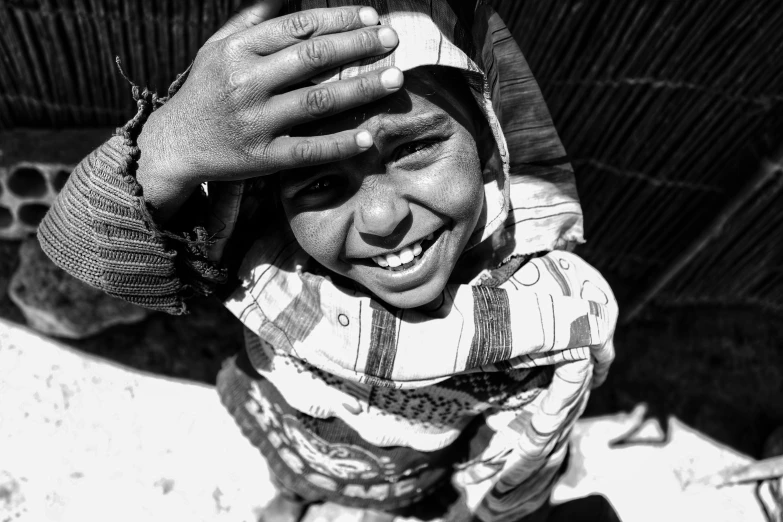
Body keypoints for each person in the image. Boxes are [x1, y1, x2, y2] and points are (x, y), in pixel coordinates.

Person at [38, 1, 618, 520]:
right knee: (291, 474)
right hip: (290, 428)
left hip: (410, 470)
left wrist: (478, 507)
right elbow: (83, 247)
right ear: (273, 194)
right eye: (318, 182)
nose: (381, 219)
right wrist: (174, 142)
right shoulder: (260, 243)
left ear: (490, 140)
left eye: (414, 148)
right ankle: (292, 496)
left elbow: (522, 453)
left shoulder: (549, 313)